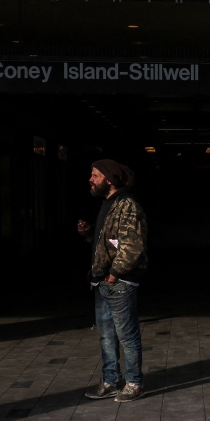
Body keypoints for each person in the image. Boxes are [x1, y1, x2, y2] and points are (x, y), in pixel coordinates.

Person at [77, 160, 149, 400]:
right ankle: (111, 381)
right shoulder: (109, 204)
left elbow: (132, 245)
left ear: (109, 179)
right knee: (106, 335)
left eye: (95, 175)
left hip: (119, 282)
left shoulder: (127, 204)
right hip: (103, 282)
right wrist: (89, 234)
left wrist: (114, 274)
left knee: (126, 335)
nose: (90, 179)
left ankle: (134, 383)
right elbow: (108, 244)